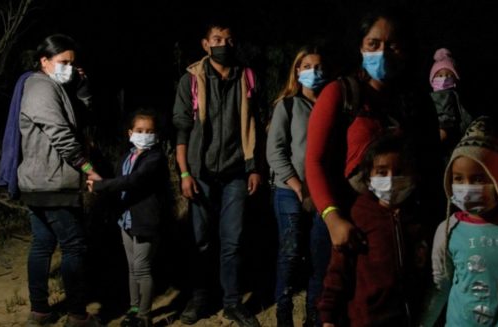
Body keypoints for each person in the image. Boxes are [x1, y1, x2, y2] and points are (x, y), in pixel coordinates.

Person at [304, 6, 443, 254]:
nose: (383, 53)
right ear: (360, 47)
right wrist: (332, 218)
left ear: (406, 50)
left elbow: (431, 165)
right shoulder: (339, 94)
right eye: (373, 44)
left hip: (402, 225)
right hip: (345, 224)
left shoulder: (418, 103)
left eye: (392, 45)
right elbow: (314, 161)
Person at [171, 20, 262, 327]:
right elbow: (182, 130)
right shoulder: (192, 80)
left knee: (233, 239)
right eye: (217, 38)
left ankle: (232, 302)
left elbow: (253, 126)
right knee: (200, 241)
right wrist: (184, 174)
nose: (223, 43)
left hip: (236, 171)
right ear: (205, 44)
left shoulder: (245, 76)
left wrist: (253, 168)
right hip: (201, 173)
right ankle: (199, 300)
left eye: (229, 38)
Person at [18, 34, 103, 327]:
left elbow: (85, 116)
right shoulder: (40, 87)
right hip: (51, 181)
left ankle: (40, 311)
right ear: (44, 61)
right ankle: (77, 315)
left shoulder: (58, 87)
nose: (68, 67)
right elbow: (62, 135)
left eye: (72, 63)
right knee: (74, 246)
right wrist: (87, 167)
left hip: (40, 180)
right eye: (62, 62)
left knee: (42, 243)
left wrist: (81, 87)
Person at [318, 133, 427, 326]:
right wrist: (328, 317)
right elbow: (338, 270)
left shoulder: (417, 217)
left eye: (399, 171)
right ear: (368, 176)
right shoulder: (359, 216)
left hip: (407, 318)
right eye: (382, 172)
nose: (391, 180)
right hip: (366, 319)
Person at [419, 116, 498, 326]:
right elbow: (440, 285)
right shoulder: (448, 229)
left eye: (479, 179)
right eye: (458, 178)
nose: (466, 187)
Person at [266, 45, 331, 327]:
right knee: (291, 253)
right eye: (307, 67)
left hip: (322, 191)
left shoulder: (332, 106)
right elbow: (275, 151)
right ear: (297, 70)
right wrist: (297, 186)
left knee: (320, 254)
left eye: (318, 67)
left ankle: (313, 312)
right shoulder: (288, 105)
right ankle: (284, 309)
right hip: (288, 190)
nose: (313, 72)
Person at [87, 110, 168, 327]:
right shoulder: (128, 156)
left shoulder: (155, 158)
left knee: (142, 267)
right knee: (132, 268)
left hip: (146, 221)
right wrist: (100, 178)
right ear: (130, 133)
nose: (145, 134)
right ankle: (134, 308)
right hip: (126, 219)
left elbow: (134, 180)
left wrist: (101, 186)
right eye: (140, 130)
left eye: (150, 131)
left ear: (157, 135)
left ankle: (145, 315)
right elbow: (119, 180)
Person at [429, 47, 473, 163]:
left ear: (456, 78)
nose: (444, 78)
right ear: (432, 79)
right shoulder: (436, 97)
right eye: (439, 75)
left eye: (449, 75)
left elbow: (446, 126)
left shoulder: (451, 96)